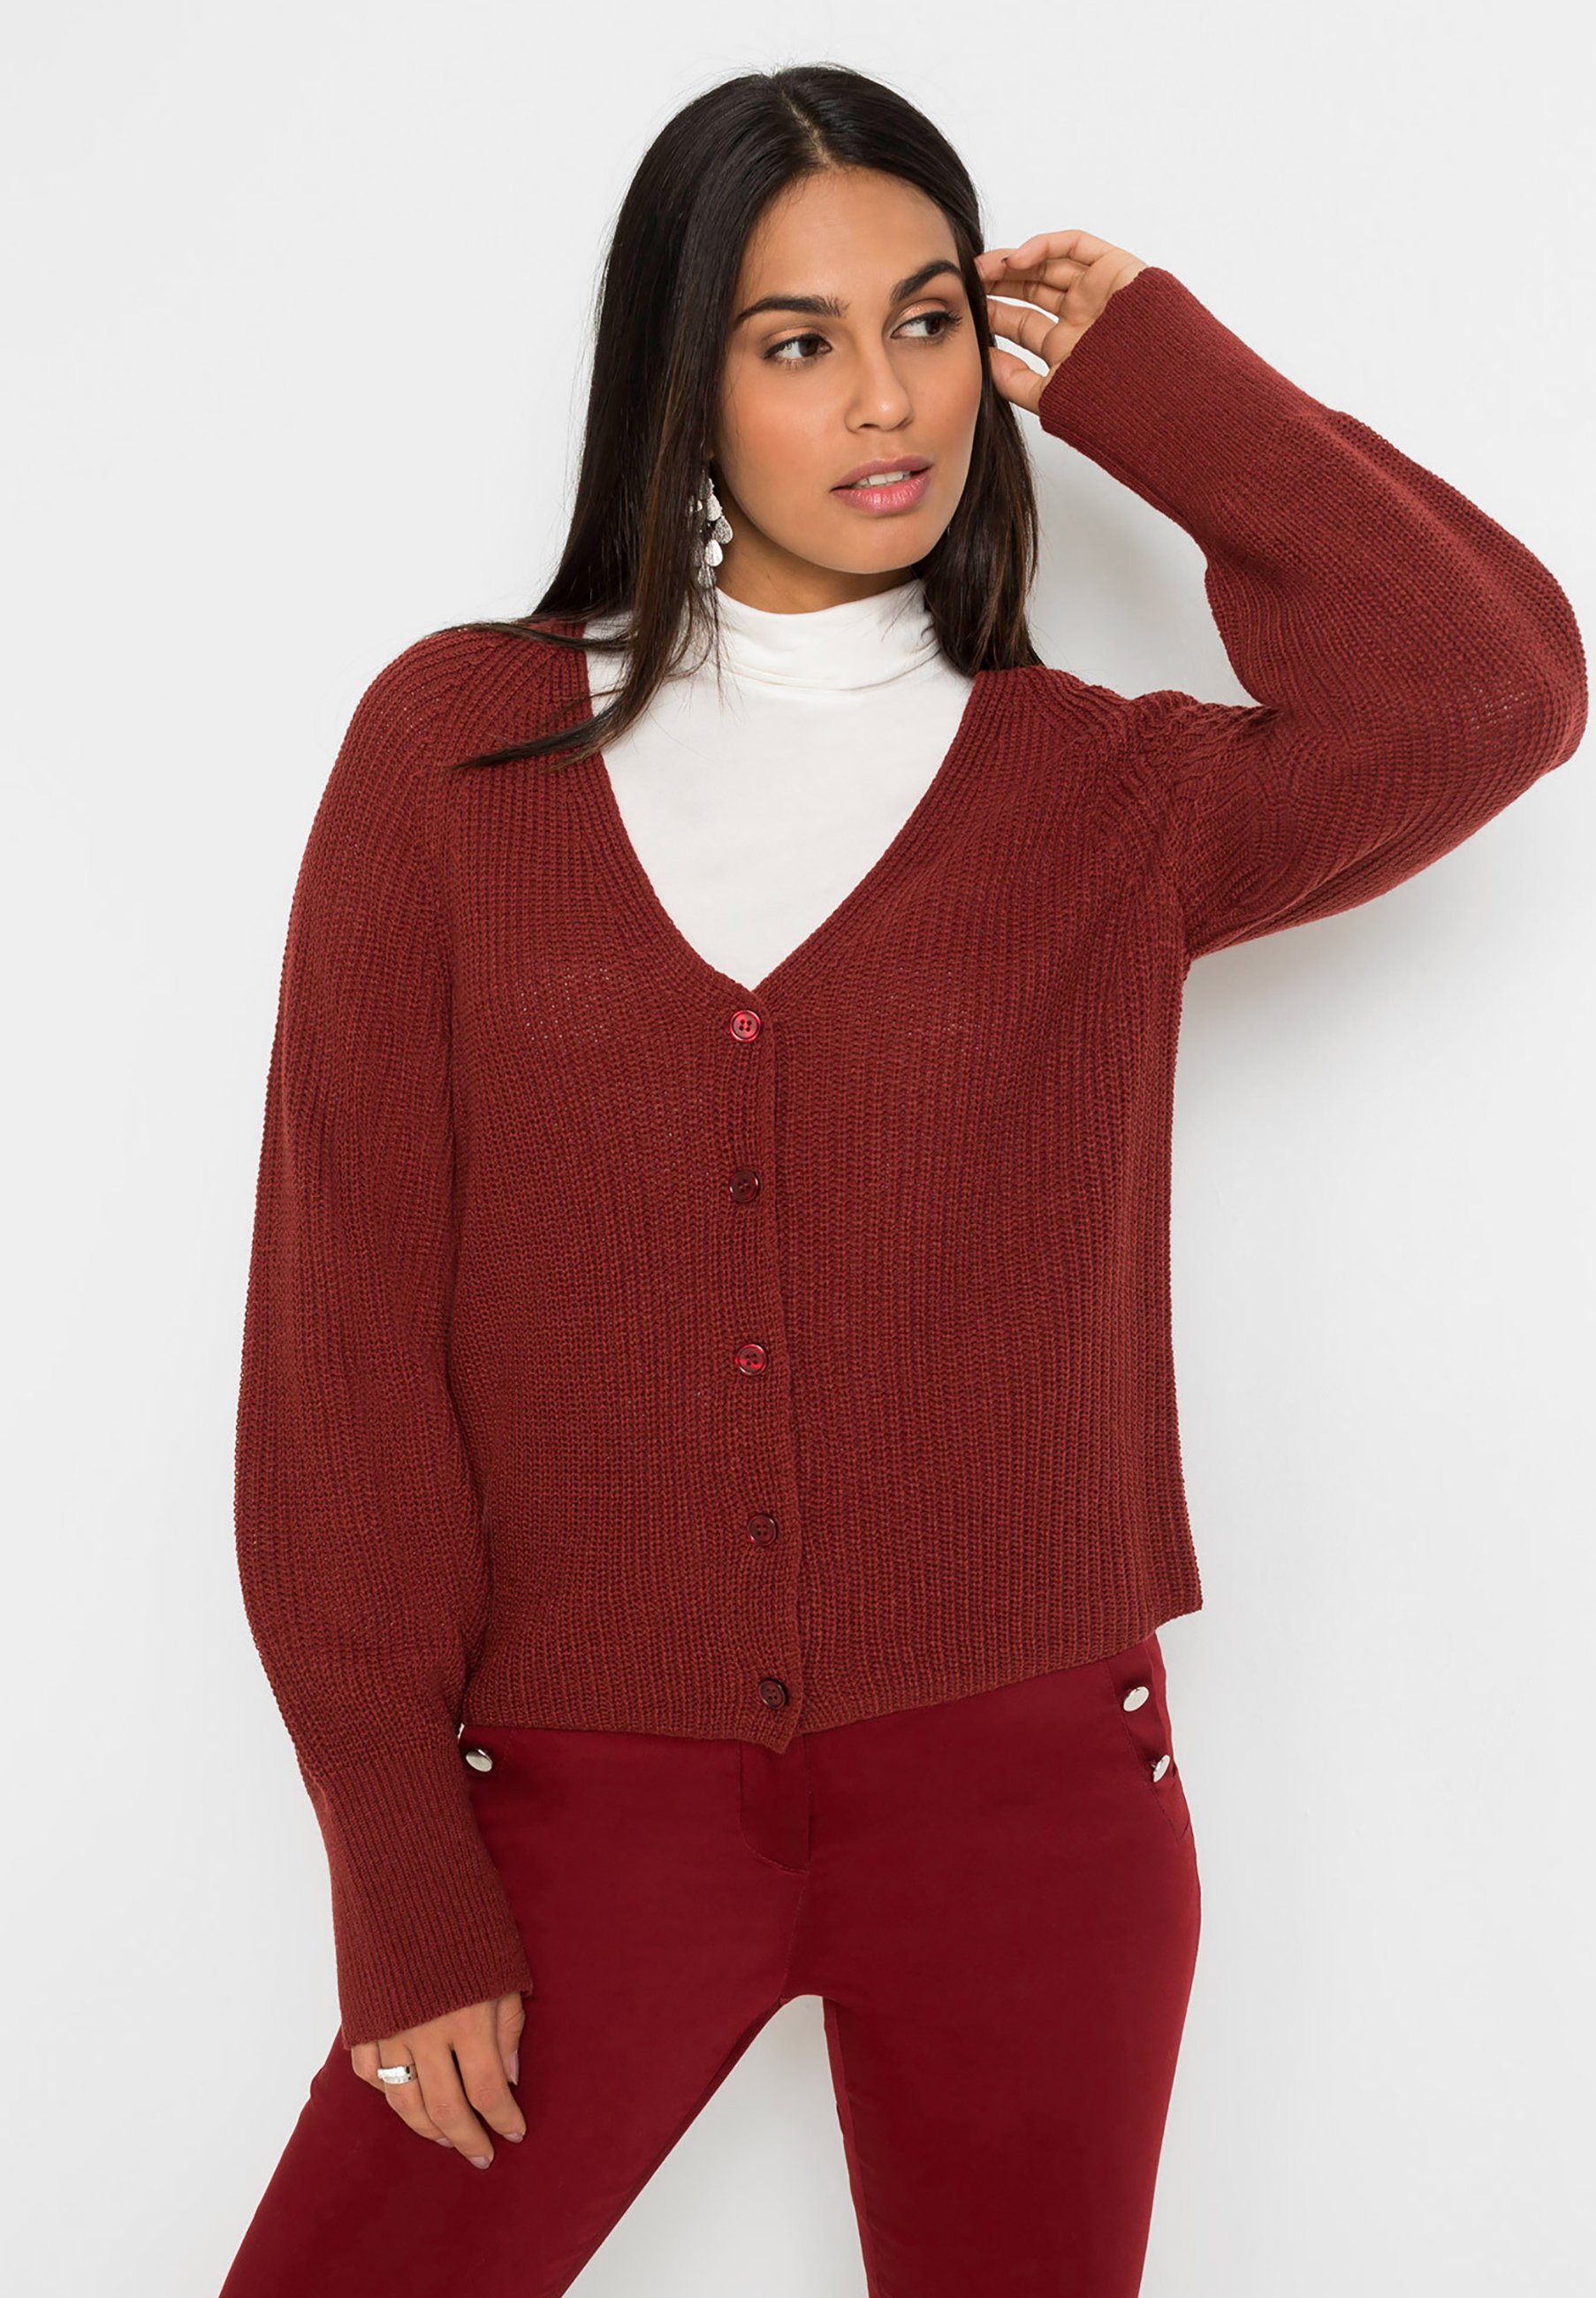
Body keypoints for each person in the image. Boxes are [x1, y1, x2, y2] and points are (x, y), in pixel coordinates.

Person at [218, 62, 1585, 2298]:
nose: (888, 398)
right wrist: (401, 1863)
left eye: (929, 320)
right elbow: (341, 1337)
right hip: (576, 1809)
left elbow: (1493, 693)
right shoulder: (455, 756)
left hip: (1029, 1810)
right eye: (800, 340)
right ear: (682, 382)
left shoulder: (1098, 799)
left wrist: (1165, 380)